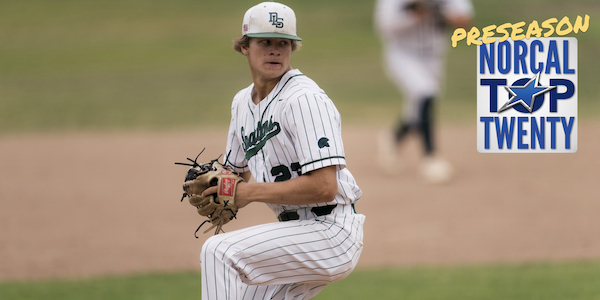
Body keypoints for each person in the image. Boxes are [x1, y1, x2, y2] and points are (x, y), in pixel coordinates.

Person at [197, 2, 365, 299]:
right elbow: (232, 173)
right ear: (245, 47)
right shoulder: (241, 104)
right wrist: (217, 192)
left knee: (219, 251)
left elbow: (325, 187)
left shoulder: (304, 99)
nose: (275, 50)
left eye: (283, 43)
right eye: (265, 42)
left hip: (330, 233)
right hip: (295, 236)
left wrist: (247, 193)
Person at [374, 0, 473, 183]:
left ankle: (394, 137)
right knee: (425, 93)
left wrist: (437, 13)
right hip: (403, 54)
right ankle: (431, 158)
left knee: (419, 106)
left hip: (434, 56)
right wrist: (414, 15)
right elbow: (384, 26)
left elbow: (464, 22)